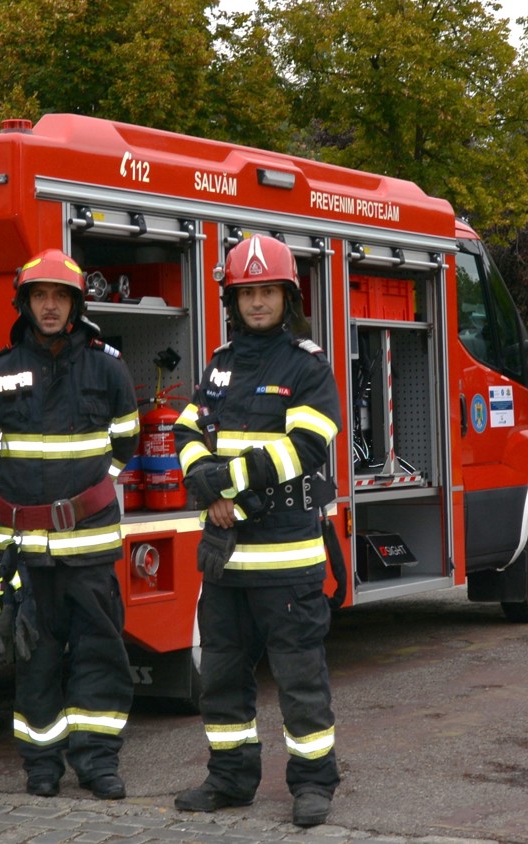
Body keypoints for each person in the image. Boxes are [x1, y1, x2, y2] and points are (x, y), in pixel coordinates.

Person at [171, 234, 342, 828]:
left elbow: (308, 447)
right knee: (220, 679)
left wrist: (228, 491)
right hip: (225, 564)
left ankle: (314, 785)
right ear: (232, 299)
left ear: (287, 297)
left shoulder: (307, 365)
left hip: (286, 560)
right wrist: (207, 484)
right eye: (248, 293)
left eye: (268, 291)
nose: (258, 303)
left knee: (300, 681)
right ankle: (230, 779)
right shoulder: (219, 366)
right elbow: (185, 434)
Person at [0, 248, 140, 800]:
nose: (49, 306)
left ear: (75, 303)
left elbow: (126, 441)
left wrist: (83, 498)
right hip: (24, 552)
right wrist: (25, 504)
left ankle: (98, 763)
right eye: (39, 296)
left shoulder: (108, 368)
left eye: (59, 297)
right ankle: (42, 765)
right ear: (24, 303)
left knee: (99, 654)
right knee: (34, 658)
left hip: (88, 548)